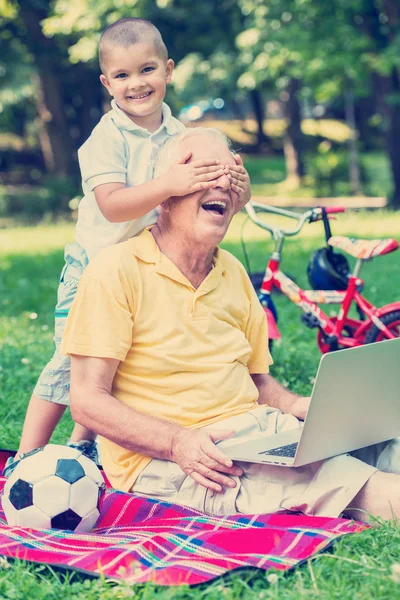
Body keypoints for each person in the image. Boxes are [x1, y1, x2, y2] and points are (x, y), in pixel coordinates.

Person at [60, 127, 400, 523]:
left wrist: (301, 408)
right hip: (182, 462)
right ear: (165, 194)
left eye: (230, 170)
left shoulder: (233, 272)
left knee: (388, 438)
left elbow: (256, 381)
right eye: (205, 170)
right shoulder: (115, 270)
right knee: (358, 484)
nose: (222, 179)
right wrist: (177, 442)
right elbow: (86, 401)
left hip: (261, 433)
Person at [4, 20, 251, 477]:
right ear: (106, 83)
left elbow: (218, 195)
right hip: (93, 267)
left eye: (147, 70)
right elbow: (113, 207)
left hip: (143, 270)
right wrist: (167, 183)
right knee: (71, 366)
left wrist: (239, 184)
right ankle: (24, 458)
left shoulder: (180, 133)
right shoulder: (106, 139)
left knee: (122, 365)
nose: (136, 84)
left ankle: (84, 449)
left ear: (169, 70)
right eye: (122, 76)